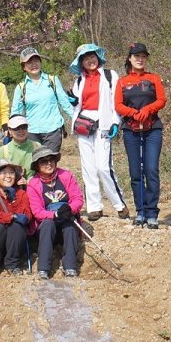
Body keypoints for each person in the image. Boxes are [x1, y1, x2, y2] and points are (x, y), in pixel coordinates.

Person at [69, 43, 128, 221]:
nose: (90, 60)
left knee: (104, 167)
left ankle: (119, 203)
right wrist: (72, 100)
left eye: (92, 56)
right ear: (81, 62)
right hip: (84, 125)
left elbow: (115, 100)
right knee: (89, 167)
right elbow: (77, 102)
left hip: (103, 123)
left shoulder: (110, 76)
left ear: (98, 56)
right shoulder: (79, 80)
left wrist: (116, 122)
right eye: (85, 58)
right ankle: (94, 207)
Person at [115, 42, 167, 229]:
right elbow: (118, 105)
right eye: (136, 55)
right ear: (129, 58)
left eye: (143, 56)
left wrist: (148, 109)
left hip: (152, 128)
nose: (140, 59)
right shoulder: (122, 81)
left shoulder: (153, 78)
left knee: (151, 170)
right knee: (136, 173)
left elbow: (161, 99)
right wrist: (131, 113)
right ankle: (140, 211)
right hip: (131, 130)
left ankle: (152, 212)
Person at [27, 146, 84, 279]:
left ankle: (70, 266)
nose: (49, 164)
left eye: (51, 159)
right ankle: (43, 268)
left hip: (66, 218)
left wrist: (70, 209)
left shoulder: (65, 175)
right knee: (47, 225)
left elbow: (78, 198)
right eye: (43, 161)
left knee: (70, 226)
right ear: (37, 166)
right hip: (47, 225)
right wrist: (54, 215)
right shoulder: (33, 184)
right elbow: (37, 211)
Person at [10, 47, 74, 153]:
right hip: (31, 131)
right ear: (24, 67)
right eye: (29, 62)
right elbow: (16, 112)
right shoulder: (21, 87)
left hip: (53, 129)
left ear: (40, 62)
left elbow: (65, 103)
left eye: (36, 61)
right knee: (34, 165)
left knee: (50, 163)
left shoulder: (52, 80)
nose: (34, 64)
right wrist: (12, 130)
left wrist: (78, 120)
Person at [0, 159, 34, 278]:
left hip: (13, 240)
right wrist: (11, 216)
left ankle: (13, 263)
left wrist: (13, 201)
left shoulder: (21, 193)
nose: (8, 176)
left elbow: (27, 215)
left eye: (11, 172)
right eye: (3, 172)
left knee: (17, 227)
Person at [0, 115, 41, 183]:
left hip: (34, 186)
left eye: (24, 127)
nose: (21, 131)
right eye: (16, 128)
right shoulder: (2, 151)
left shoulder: (37, 146)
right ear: (10, 131)